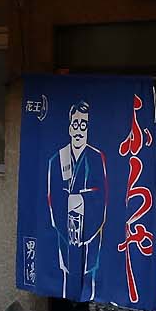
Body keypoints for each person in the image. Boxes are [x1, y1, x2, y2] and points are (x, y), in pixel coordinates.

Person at [48, 101, 107, 300]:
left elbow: (102, 195)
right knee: (66, 281)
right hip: (66, 233)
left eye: (84, 125)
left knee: (89, 280)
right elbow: (53, 197)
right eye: (75, 124)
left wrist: (81, 200)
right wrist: (67, 203)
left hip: (89, 233)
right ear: (69, 127)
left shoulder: (96, 157)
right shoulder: (58, 159)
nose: (79, 130)